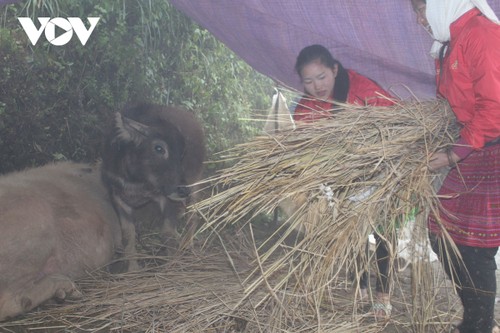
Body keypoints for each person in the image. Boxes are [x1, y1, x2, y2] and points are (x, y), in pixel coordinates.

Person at [411, 1, 500, 332]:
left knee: (478, 247)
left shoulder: (482, 34)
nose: (420, 19)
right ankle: (478, 319)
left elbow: (494, 111)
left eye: (421, 9)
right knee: (441, 231)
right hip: (477, 147)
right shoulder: (452, 41)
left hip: (492, 148)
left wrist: (451, 156)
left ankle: (479, 324)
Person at [293, 44, 397, 320]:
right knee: (353, 233)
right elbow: (302, 150)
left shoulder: (361, 88)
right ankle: (361, 289)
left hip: (380, 173)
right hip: (342, 183)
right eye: (308, 81)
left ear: (335, 70)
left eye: (322, 77)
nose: (316, 86)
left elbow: (396, 120)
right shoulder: (305, 109)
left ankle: (383, 296)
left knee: (385, 234)